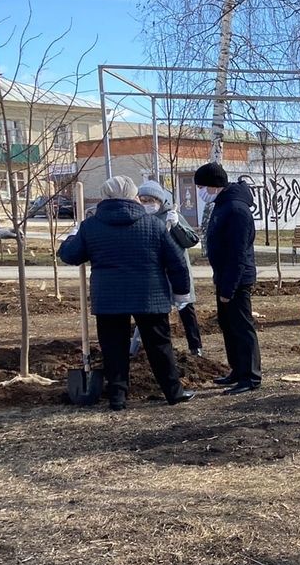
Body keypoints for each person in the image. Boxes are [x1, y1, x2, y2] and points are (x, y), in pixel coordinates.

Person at [58, 176, 194, 411]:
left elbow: (70, 255)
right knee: (159, 345)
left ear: (105, 196)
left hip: (109, 297)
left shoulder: (91, 226)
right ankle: (174, 392)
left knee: (113, 346)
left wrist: (73, 235)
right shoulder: (153, 225)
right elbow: (177, 262)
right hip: (149, 296)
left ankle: (117, 396)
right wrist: (181, 293)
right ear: (134, 196)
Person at [196, 161, 262, 395]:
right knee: (228, 325)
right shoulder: (223, 204)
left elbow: (238, 252)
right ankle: (238, 369)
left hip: (236, 279)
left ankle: (250, 376)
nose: (200, 192)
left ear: (214, 185)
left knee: (242, 326)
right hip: (224, 276)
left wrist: (228, 288)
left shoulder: (235, 209)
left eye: (202, 186)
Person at [138, 180, 204, 356]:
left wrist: (176, 226)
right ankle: (148, 348)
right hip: (155, 273)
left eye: (149, 200)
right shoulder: (141, 218)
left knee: (185, 309)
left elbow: (191, 240)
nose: (146, 204)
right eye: (142, 200)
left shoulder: (171, 215)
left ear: (159, 199)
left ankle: (195, 346)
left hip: (176, 272)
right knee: (156, 313)